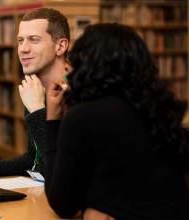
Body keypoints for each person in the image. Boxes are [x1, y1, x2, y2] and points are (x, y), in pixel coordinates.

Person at [39, 23, 189, 219]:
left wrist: (52, 120)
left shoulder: (83, 117)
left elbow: (62, 204)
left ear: (90, 65)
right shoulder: (159, 109)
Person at [0, 7, 69, 177]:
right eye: (20, 40)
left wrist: (37, 110)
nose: (23, 49)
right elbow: (35, 159)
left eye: (34, 40)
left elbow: (61, 169)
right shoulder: (35, 90)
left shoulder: (78, 95)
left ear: (60, 46)